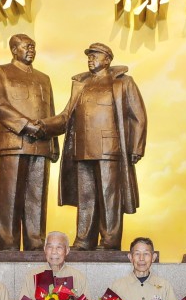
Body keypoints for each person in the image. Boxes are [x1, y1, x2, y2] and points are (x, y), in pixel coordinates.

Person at [42, 43, 146, 251]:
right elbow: (66, 116)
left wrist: (136, 147)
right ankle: (84, 240)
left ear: (107, 60)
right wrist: (42, 125)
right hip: (82, 148)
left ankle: (109, 241)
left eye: (95, 55)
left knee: (109, 196)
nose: (90, 59)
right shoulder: (81, 84)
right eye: (89, 56)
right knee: (86, 197)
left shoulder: (123, 82)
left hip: (109, 148)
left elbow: (139, 116)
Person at [0, 34, 59, 250]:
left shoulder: (44, 78)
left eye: (33, 47)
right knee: (10, 200)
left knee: (37, 200)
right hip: (14, 142)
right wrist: (27, 125)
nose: (31, 50)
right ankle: (8, 249)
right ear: (14, 49)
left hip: (42, 145)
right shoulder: (1, 71)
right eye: (26, 47)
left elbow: (50, 111)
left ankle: (35, 249)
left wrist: (54, 144)